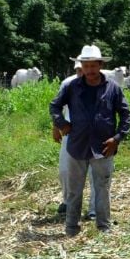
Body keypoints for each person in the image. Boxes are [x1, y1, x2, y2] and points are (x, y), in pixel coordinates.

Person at [50, 45, 130, 236]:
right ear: (81, 66)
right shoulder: (71, 87)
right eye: (86, 66)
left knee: (102, 188)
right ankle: (71, 227)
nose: (89, 70)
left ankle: (104, 227)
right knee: (74, 189)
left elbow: (126, 114)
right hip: (77, 145)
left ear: (100, 65)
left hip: (104, 147)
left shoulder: (113, 88)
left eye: (93, 66)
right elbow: (55, 106)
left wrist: (117, 138)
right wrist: (62, 123)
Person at [53, 61, 97, 220]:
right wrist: (56, 127)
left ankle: (94, 209)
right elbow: (59, 107)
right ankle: (68, 202)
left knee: (95, 172)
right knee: (66, 170)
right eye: (79, 70)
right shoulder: (67, 84)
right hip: (70, 134)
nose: (82, 73)